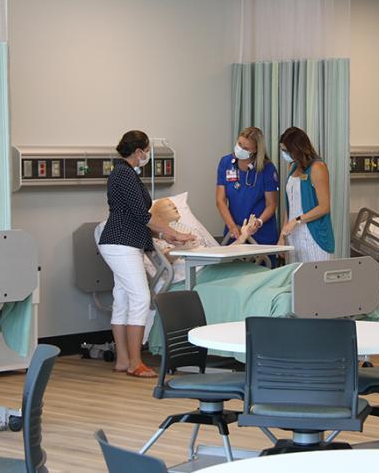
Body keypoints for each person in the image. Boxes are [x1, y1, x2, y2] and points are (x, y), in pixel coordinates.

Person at [98, 130, 194, 378]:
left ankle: (122, 360)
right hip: (121, 243)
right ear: (139, 151)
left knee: (123, 300)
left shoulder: (123, 173)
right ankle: (135, 363)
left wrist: (167, 235)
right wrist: (174, 232)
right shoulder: (124, 174)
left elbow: (137, 218)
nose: (148, 155)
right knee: (140, 298)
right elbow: (143, 216)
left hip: (122, 242)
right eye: (147, 150)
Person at [278, 127, 334, 262]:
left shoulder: (318, 168)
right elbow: (290, 205)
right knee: (295, 280)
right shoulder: (293, 168)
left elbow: (324, 207)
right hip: (293, 235)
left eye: (286, 150)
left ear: (297, 149)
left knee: (315, 280)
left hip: (314, 236)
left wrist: (297, 221)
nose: (284, 154)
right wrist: (282, 236)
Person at [215, 127, 279, 245]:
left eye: (246, 148)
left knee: (264, 262)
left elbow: (271, 204)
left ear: (255, 150)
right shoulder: (226, 163)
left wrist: (258, 222)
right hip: (234, 232)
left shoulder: (267, 169)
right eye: (239, 144)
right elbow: (220, 200)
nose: (240, 149)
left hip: (261, 234)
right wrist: (232, 226)